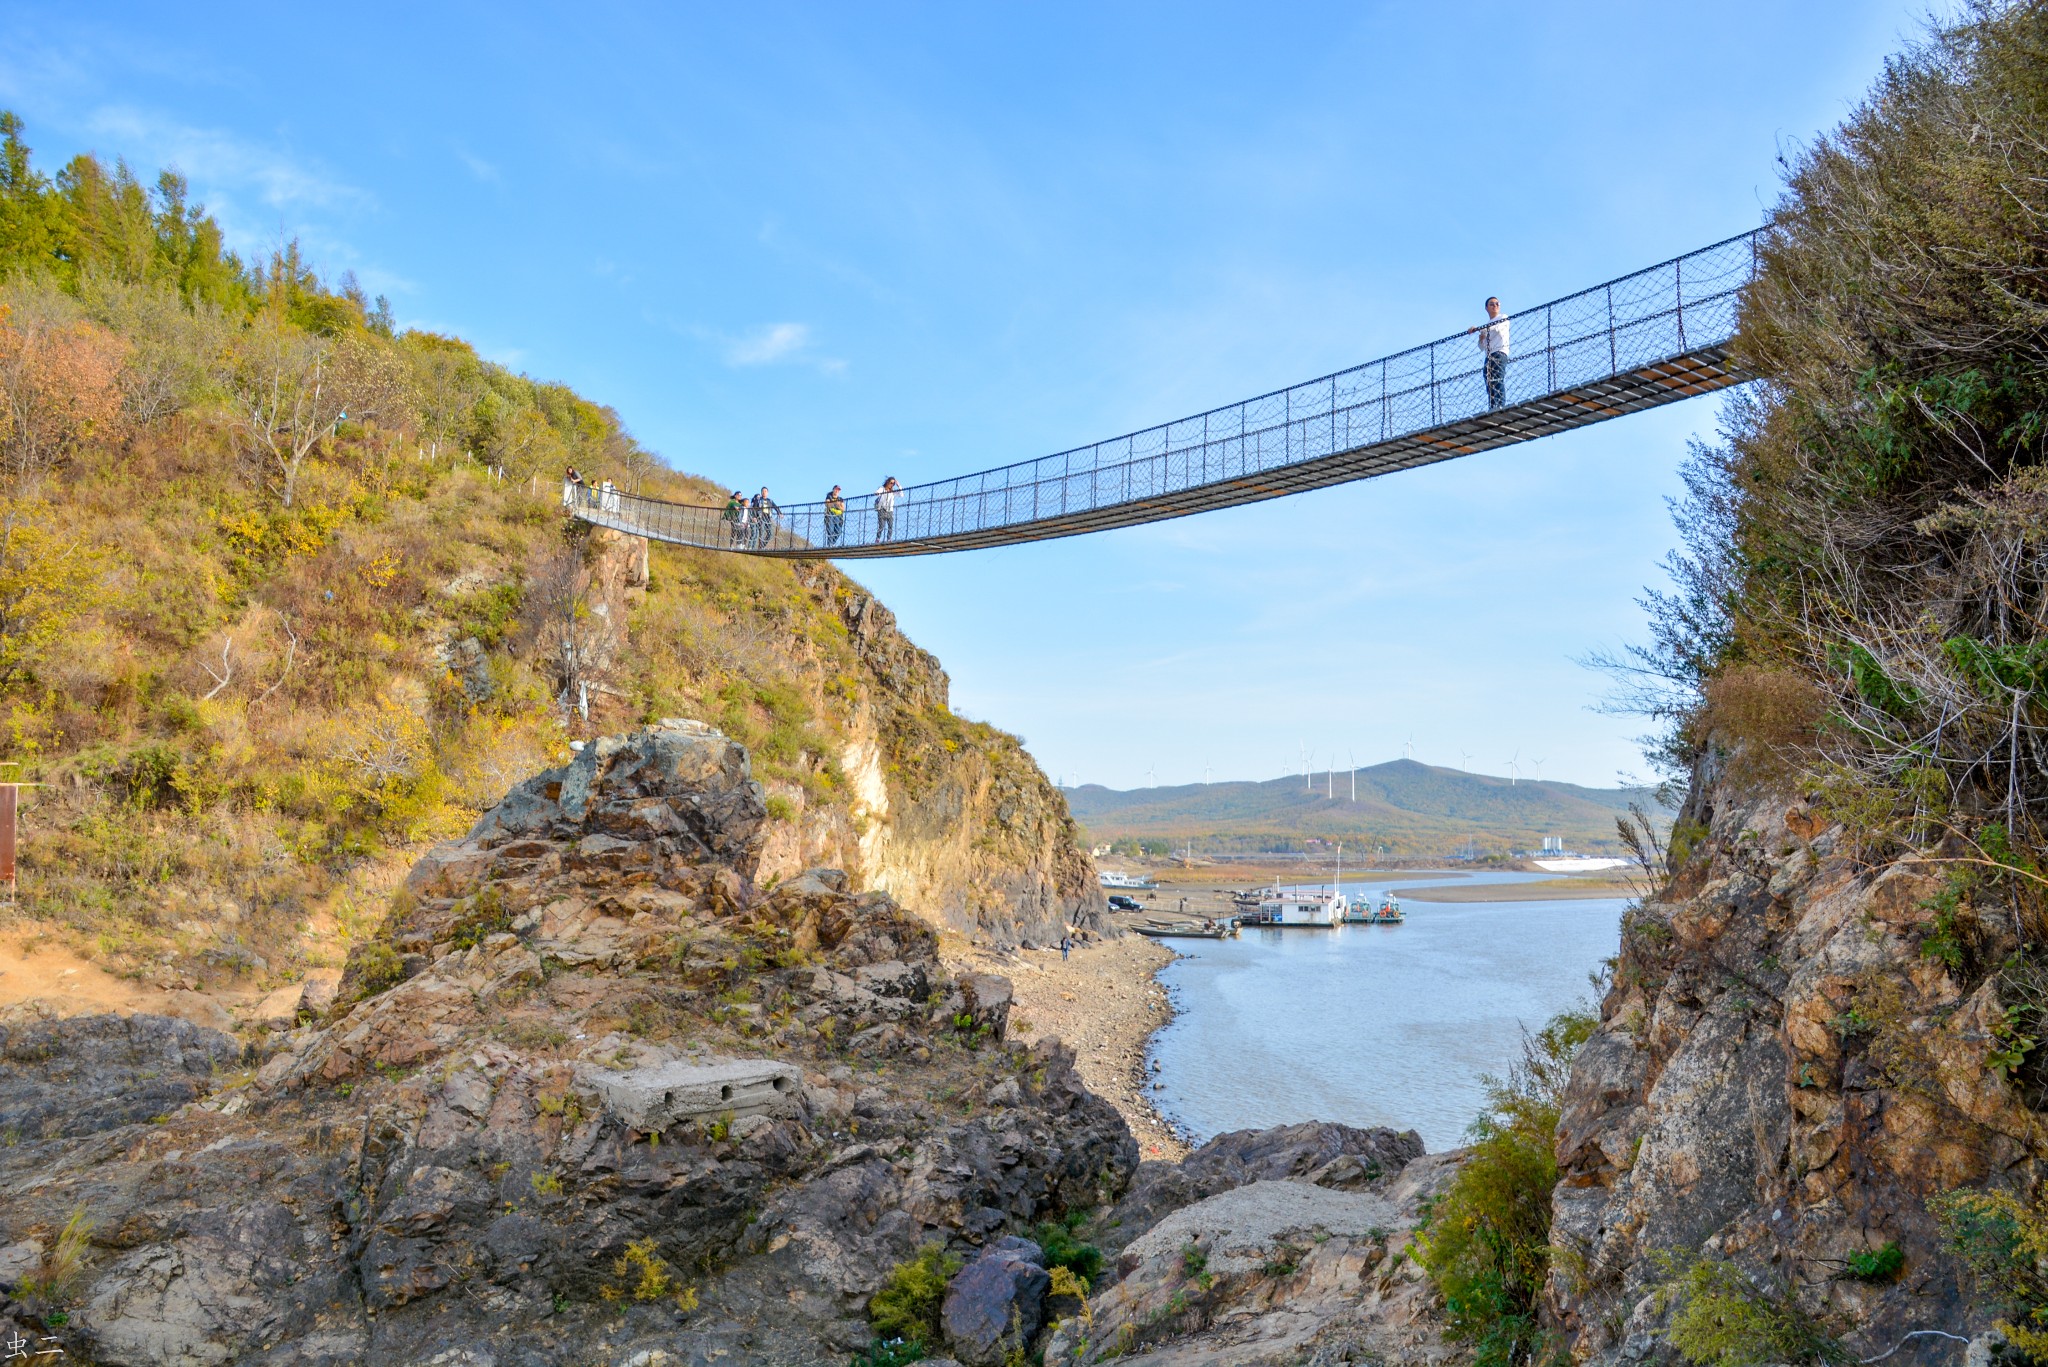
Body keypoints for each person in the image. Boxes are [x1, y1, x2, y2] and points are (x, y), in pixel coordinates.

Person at [1467, 296, 1511, 409]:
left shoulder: (1503, 317)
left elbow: (1496, 328)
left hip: (1499, 352)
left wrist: (1478, 329)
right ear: (1486, 308)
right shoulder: (1488, 324)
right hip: (1489, 355)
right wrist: (1481, 338)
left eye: (1497, 303)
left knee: (1497, 378)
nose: (1495, 305)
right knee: (1488, 380)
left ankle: (1500, 405)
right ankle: (1493, 406)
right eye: (1492, 304)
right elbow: (1481, 347)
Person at [873, 476, 900, 542]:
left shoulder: (893, 491)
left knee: (890, 526)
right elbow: (878, 492)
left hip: (890, 510)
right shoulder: (882, 489)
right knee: (881, 526)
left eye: (893, 484)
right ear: (887, 482)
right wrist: (877, 493)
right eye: (891, 483)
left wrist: (898, 485)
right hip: (882, 509)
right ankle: (878, 538)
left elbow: (901, 494)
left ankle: (888, 539)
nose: (892, 485)